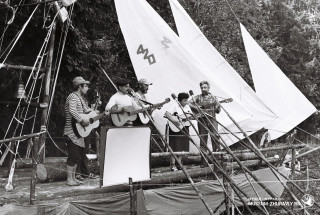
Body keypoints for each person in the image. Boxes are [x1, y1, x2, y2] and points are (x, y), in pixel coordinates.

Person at [64, 76, 91, 186]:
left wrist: (98, 113)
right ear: (79, 86)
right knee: (72, 155)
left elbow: (86, 111)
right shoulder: (73, 96)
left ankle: (73, 178)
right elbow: (72, 110)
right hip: (71, 131)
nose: (87, 88)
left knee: (77, 156)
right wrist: (81, 120)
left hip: (78, 131)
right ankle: (69, 179)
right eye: (85, 86)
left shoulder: (80, 98)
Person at [188, 81, 221, 167]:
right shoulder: (198, 97)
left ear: (208, 88)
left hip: (212, 119)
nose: (203, 89)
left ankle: (216, 160)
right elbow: (187, 103)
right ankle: (204, 160)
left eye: (205, 87)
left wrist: (217, 107)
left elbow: (218, 111)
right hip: (201, 120)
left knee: (215, 138)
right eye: (202, 88)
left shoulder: (214, 98)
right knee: (203, 140)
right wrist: (196, 108)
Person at [165, 92, 192, 171]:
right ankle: (173, 165)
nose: (186, 102)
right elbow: (167, 114)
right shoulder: (174, 106)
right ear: (179, 101)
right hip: (175, 128)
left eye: (186, 100)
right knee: (175, 146)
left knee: (182, 147)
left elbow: (189, 116)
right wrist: (175, 121)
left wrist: (190, 118)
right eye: (184, 100)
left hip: (184, 128)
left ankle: (179, 164)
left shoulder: (187, 107)